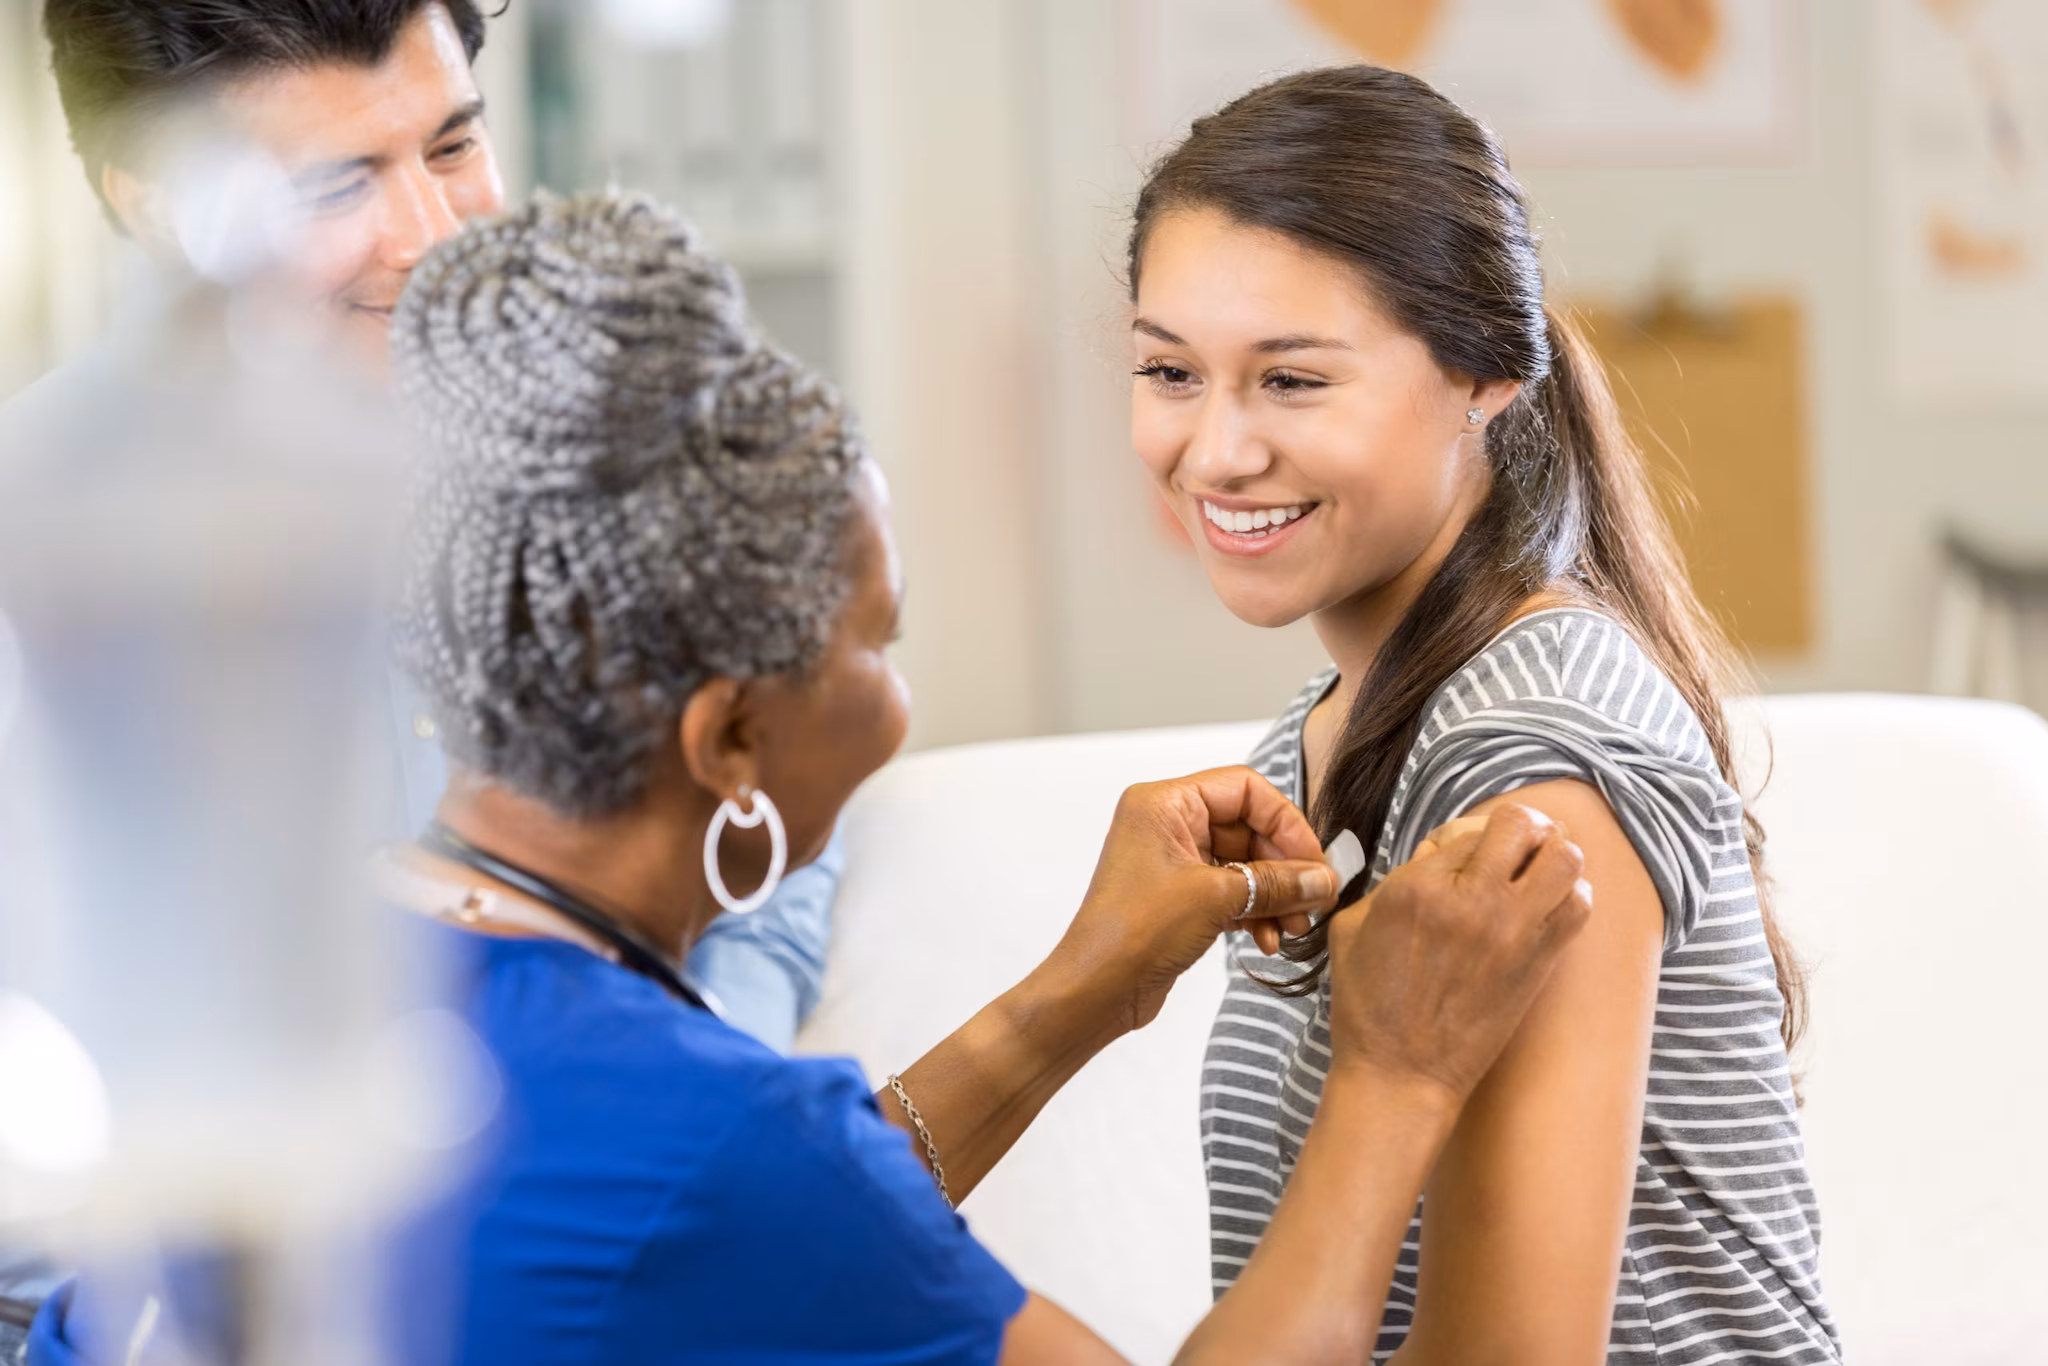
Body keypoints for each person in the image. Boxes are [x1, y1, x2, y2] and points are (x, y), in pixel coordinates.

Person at [20, 190, 1599, 1366]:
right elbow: (753, 1193)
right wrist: (1396, 1073)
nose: (900, 691)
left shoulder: (306, 972)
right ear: (732, 743)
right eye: (877, 640)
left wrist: (1075, 994)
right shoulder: (712, 1144)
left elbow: (721, 1232)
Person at [1125, 66, 1839, 1362]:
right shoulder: (1314, 735)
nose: (1215, 451)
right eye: (1171, 369)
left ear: (1486, 375)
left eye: (1291, 380)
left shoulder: (1533, 755)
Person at [12, 0, 834, 1049]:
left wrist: (715, 1057)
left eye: (451, 144)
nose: (432, 236)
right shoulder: (40, 546)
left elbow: (779, 786)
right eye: (332, 183)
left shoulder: (607, 435)